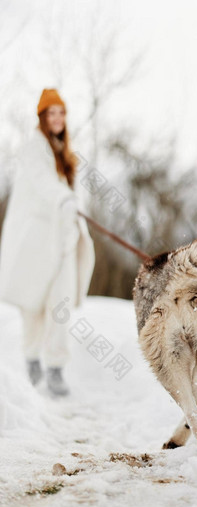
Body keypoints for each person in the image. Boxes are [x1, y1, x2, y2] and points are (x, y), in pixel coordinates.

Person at [0, 89, 95, 396]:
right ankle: (31, 360)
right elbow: (43, 184)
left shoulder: (65, 152)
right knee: (33, 303)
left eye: (61, 113)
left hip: (64, 240)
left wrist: (74, 210)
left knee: (60, 303)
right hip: (37, 241)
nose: (57, 118)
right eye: (51, 113)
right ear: (42, 117)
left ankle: (55, 368)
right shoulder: (33, 147)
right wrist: (64, 199)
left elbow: (74, 194)